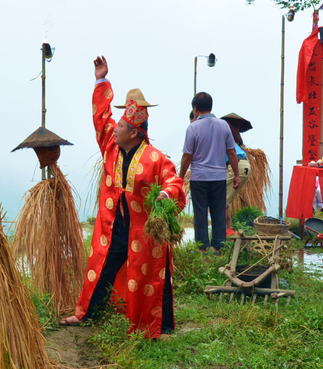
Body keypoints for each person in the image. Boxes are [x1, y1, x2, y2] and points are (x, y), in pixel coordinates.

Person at [60, 56, 186, 339]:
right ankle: (86, 314)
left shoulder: (155, 158)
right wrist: (101, 80)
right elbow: (101, 119)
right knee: (102, 267)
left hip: (144, 232)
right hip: (114, 227)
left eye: (120, 126)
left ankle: (159, 326)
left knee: (152, 276)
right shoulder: (111, 149)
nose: (114, 128)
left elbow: (175, 183)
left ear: (133, 132)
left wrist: (165, 194)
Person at [179, 93, 240, 252]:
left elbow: (187, 156)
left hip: (199, 178)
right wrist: (236, 175)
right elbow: (232, 152)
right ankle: (218, 249)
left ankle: (202, 250)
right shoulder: (223, 125)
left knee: (200, 214)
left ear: (195, 108)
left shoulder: (193, 128)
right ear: (210, 107)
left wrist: (180, 177)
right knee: (218, 212)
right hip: (219, 177)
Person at [220, 113, 253, 229]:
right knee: (224, 201)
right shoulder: (230, 139)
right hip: (242, 164)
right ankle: (228, 231)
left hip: (237, 165)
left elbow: (231, 154)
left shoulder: (222, 137)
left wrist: (236, 174)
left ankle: (221, 233)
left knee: (219, 201)